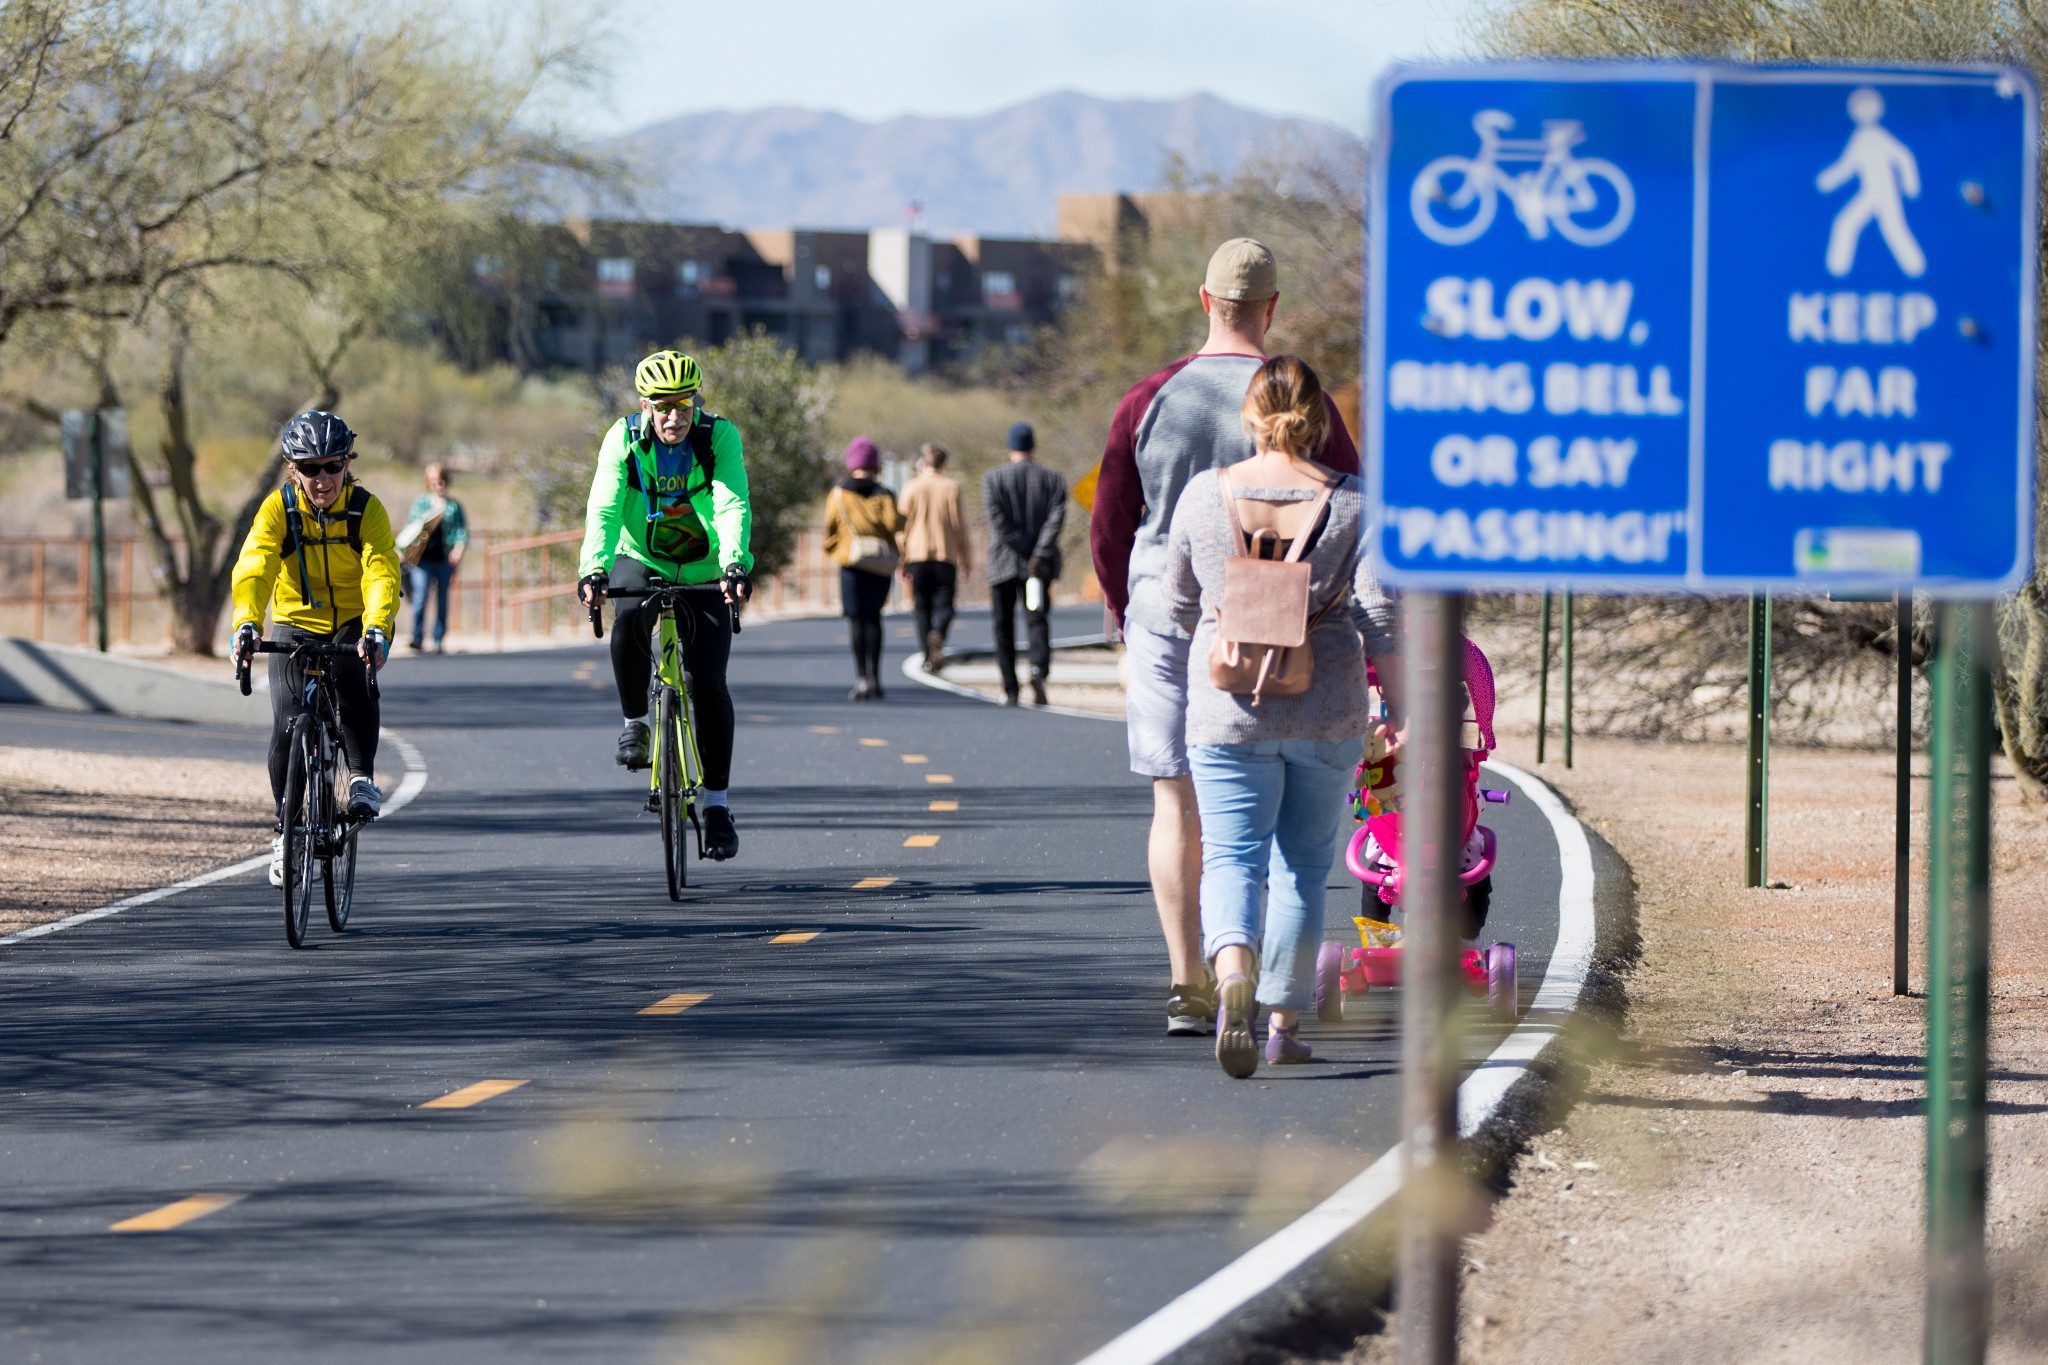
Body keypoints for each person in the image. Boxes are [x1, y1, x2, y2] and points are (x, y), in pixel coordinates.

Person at [1090, 237, 1361, 1037]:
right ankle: (1269, 992)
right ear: (1272, 308)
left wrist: (1123, 611)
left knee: (1178, 797)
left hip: (1167, 618)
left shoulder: (1148, 397)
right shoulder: (1300, 398)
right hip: (1288, 632)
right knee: (1280, 835)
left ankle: (1190, 981)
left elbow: (1111, 522)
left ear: (1203, 300)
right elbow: (1351, 502)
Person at [1161, 355, 1398, 1078]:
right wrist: (1404, 705)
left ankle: (1232, 968)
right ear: (1320, 420)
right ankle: (1282, 1024)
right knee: (1304, 866)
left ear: (1249, 417)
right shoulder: (1356, 503)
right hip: (1325, 707)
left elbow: (1176, 602)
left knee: (1233, 855)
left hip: (1228, 708)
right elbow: (1379, 614)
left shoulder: (1204, 497)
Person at [574, 349, 753, 861]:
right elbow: (604, 506)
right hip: (641, 554)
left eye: (684, 404)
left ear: (696, 401)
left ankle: (717, 806)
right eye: (662, 405)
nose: (674, 416)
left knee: (706, 682)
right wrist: (594, 568)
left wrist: (735, 564)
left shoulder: (717, 436)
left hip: (705, 566)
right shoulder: (624, 439)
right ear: (644, 404)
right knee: (628, 614)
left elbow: (731, 500)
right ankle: (635, 722)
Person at [228, 411, 400, 888]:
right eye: (309, 468)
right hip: (293, 623)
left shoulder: (366, 510)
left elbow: (382, 570)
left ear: (347, 464)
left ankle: (362, 776)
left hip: (350, 619)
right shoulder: (277, 509)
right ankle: (286, 833)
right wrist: (246, 623)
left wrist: (377, 628)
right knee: (287, 720)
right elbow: (256, 564)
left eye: (332, 466)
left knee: (354, 677)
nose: (321, 478)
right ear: (292, 469)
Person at [981, 422, 1066, 707]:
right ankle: (1038, 670)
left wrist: (1019, 545)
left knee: (1003, 625)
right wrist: (1039, 551)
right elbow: (1056, 519)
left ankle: (1010, 687)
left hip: (1004, 564)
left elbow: (997, 521)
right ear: (1033, 447)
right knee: (1037, 619)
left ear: (1010, 448)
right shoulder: (1053, 480)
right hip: (1038, 567)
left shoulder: (992, 479)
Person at [823, 436, 904, 701]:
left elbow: (830, 527)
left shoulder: (838, 494)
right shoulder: (885, 494)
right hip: (880, 566)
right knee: (874, 619)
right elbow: (895, 525)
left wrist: (834, 547)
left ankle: (861, 678)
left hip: (851, 564)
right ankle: (877, 678)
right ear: (876, 464)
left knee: (856, 621)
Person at [898, 442, 966, 672]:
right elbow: (959, 527)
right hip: (944, 555)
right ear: (944, 463)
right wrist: (966, 559)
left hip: (916, 556)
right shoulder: (951, 487)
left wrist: (901, 559)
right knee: (945, 604)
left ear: (924, 462)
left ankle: (928, 655)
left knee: (921, 606)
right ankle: (938, 632)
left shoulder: (911, 487)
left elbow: (901, 527)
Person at [402, 463, 467, 653]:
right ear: (428, 483)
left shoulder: (454, 507)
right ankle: (417, 637)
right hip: (423, 560)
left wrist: (459, 548)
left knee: (442, 599)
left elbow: (461, 532)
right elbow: (411, 528)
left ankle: (438, 638)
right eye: (434, 482)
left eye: (442, 481)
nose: (439, 485)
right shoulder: (422, 503)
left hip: (444, 559)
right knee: (420, 596)